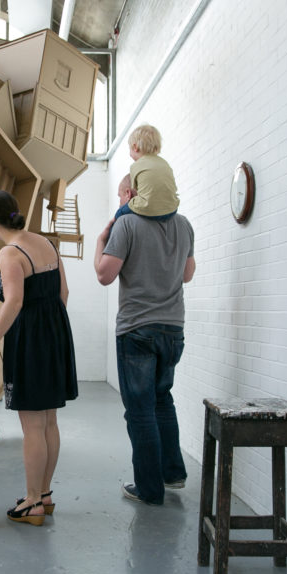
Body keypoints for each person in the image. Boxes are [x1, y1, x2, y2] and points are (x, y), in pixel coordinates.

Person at [0, 190, 78, 526]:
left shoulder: (9, 253)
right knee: (49, 422)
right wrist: (51, 330)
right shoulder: (45, 242)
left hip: (29, 340)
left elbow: (13, 302)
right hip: (56, 333)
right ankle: (43, 494)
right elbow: (64, 293)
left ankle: (32, 503)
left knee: (32, 426)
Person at [95, 176, 196, 505]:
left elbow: (104, 275)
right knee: (162, 400)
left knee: (140, 411)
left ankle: (150, 489)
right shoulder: (184, 224)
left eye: (122, 193)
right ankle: (173, 473)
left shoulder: (126, 224)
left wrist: (101, 240)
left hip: (137, 328)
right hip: (172, 327)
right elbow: (187, 274)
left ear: (130, 193)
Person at [114, 124, 179, 222]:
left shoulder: (135, 166)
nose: (129, 153)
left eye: (129, 149)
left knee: (120, 213)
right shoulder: (164, 163)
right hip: (170, 210)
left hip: (148, 209)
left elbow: (135, 191)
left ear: (135, 147)